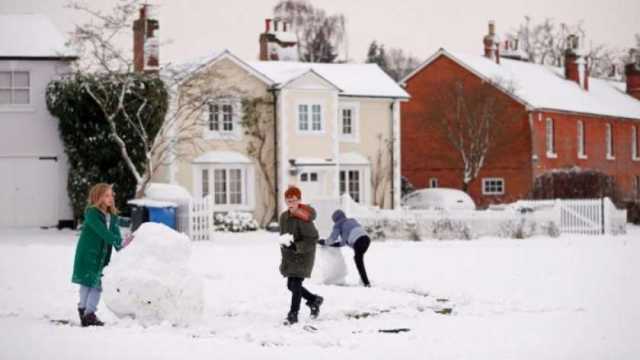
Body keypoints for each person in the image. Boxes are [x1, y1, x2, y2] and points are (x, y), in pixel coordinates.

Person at [71, 183, 133, 327]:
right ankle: (88, 312)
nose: (110, 198)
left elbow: (116, 237)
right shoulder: (91, 213)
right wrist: (119, 241)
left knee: (96, 283)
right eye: (106, 195)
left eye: (111, 195)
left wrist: (125, 248)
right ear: (98, 197)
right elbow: (103, 233)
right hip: (88, 254)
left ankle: (86, 312)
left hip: (102, 256)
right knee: (89, 283)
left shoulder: (113, 216)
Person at [278, 185, 323, 325]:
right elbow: (284, 236)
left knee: (295, 285)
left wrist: (296, 246)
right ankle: (314, 299)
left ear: (299, 201)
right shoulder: (284, 217)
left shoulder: (303, 217)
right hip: (290, 255)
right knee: (291, 285)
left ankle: (293, 314)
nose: (290, 203)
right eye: (288, 200)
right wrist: (285, 246)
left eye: (293, 200)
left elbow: (313, 238)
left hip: (304, 255)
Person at [319, 210, 371, 287]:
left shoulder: (338, 225)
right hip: (367, 239)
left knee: (358, 259)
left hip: (358, 241)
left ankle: (366, 282)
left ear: (335, 219)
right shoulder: (352, 220)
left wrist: (324, 242)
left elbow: (332, 239)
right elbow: (343, 242)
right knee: (358, 258)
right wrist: (334, 244)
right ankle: (363, 280)